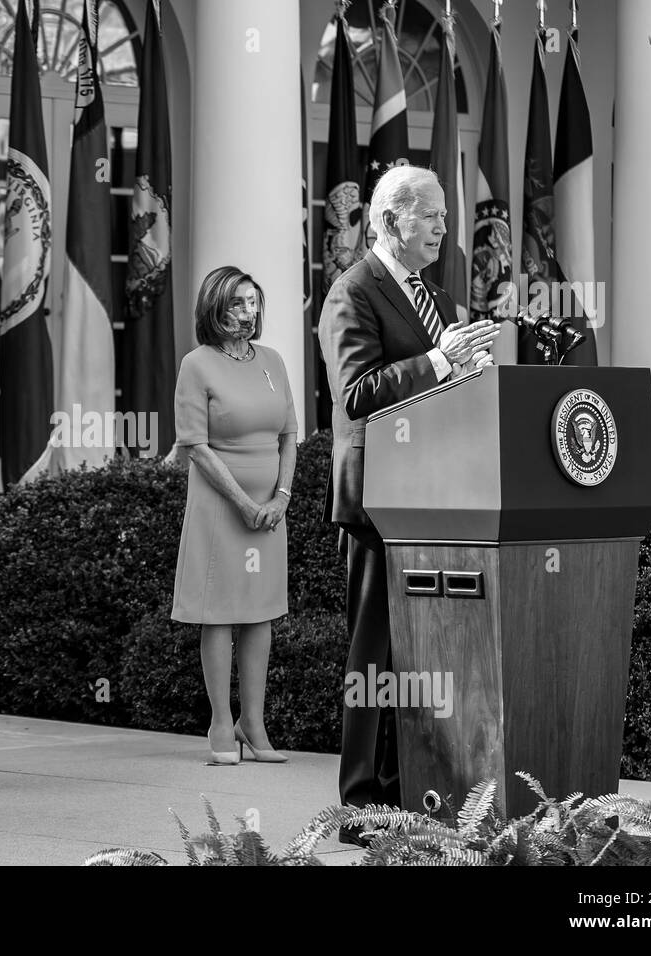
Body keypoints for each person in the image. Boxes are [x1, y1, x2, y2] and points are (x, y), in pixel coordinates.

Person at [317, 165, 499, 845]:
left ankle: (406, 798)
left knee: (418, 660)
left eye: (445, 217)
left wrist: (473, 376)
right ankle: (361, 808)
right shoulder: (351, 292)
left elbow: (445, 392)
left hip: (437, 499)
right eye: (432, 217)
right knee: (374, 661)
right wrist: (438, 362)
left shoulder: (439, 299)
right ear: (392, 218)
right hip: (376, 503)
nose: (445, 229)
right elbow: (358, 392)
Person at [171, 266, 297, 766]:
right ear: (214, 309)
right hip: (221, 504)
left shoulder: (272, 360)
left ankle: (254, 724)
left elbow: (289, 434)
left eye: (253, 303)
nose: (248, 313)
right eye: (237, 304)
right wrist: (244, 504)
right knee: (220, 613)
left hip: (270, 505)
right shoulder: (196, 364)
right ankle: (222, 723)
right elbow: (195, 446)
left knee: (261, 611)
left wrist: (281, 496)